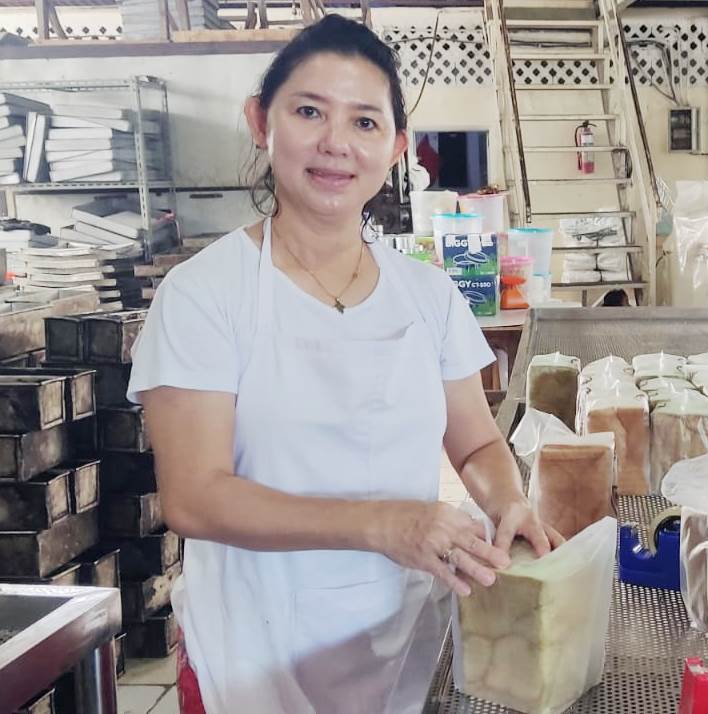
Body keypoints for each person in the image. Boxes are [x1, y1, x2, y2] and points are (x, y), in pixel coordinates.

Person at [128, 16, 561, 714]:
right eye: (308, 112)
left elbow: (477, 441)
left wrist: (505, 500)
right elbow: (195, 496)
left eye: (364, 122)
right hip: (253, 646)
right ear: (260, 121)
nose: (335, 144)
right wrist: (384, 523)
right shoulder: (205, 295)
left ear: (395, 149)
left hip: (402, 635)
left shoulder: (426, 294)